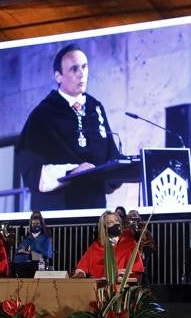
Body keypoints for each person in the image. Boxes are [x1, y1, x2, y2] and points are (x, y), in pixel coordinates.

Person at [15, 44, 120, 211]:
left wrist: (120, 168)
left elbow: (110, 154)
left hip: (95, 206)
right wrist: (71, 171)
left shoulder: (95, 107)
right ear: (58, 76)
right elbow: (30, 166)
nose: (81, 74)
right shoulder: (43, 114)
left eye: (84, 67)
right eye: (74, 69)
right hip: (59, 208)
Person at [73, 211, 144, 280]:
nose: (115, 224)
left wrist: (124, 274)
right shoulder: (96, 245)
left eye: (116, 221)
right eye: (110, 222)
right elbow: (83, 267)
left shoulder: (130, 243)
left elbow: (136, 270)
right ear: (104, 227)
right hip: (102, 285)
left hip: (123, 284)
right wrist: (80, 272)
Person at [12, 213, 54, 278]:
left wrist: (29, 253)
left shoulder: (46, 238)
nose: (35, 225)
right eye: (33, 224)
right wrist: (24, 252)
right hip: (24, 264)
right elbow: (20, 250)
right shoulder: (28, 237)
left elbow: (46, 254)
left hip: (39, 264)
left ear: (41, 225)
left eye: (37, 224)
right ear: (31, 225)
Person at [125, 209, 156, 284]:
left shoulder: (144, 230)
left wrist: (143, 251)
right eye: (130, 217)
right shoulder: (124, 230)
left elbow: (151, 245)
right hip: (127, 258)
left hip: (141, 257)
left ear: (139, 218)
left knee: (142, 276)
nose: (132, 219)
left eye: (134, 217)